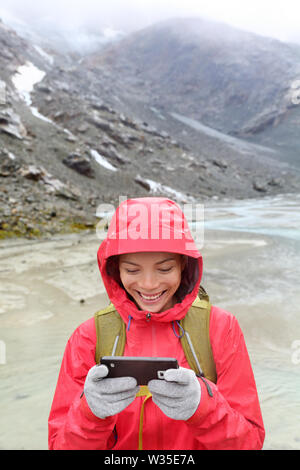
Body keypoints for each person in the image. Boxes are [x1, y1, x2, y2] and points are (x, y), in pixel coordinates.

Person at [48, 197, 265, 450]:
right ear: (114, 268)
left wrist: (203, 407)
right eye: (132, 270)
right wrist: (90, 412)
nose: (149, 284)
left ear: (184, 264)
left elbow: (249, 444)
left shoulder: (221, 327)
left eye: (164, 269)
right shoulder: (88, 337)